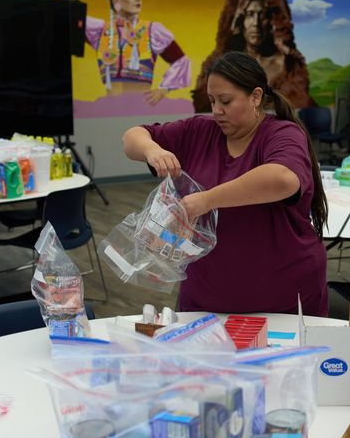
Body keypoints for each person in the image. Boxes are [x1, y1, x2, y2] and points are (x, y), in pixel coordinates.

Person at [122, 51, 329, 316]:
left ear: (256, 96)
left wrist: (206, 200)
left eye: (226, 101)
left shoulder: (282, 134)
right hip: (206, 298)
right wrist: (152, 150)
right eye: (212, 100)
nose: (217, 110)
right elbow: (132, 137)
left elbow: (282, 179)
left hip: (281, 300)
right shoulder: (199, 131)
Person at [61, 0, 191, 106]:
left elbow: (181, 61)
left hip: (141, 108)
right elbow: (67, 14)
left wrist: (163, 89)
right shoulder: (100, 31)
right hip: (110, 108)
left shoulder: (151, 31)